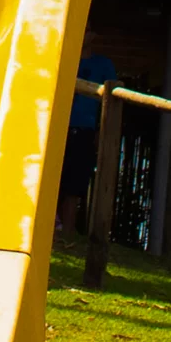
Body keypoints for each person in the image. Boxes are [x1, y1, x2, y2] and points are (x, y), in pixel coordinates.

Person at [59, 52, 121, 236]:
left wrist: (100, 131)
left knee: (75, 183)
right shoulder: (60, 56)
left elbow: (111, 100)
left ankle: (67, 231)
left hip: (84, 130)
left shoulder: (102, 64)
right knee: (53, 179)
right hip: (56, 126)